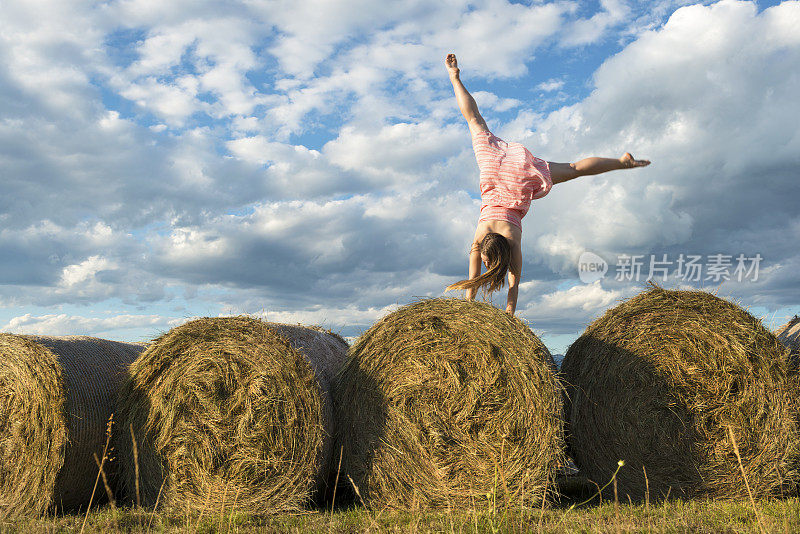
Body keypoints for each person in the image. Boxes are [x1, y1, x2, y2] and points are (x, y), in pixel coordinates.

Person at [444, 53, 650, 314]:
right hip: (499, 172)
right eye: (487, 262)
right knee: (477, 122)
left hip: (514, 178)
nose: (485, 265)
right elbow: (505, 286)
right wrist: (498, 314)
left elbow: (499, 285)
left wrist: (481, 314)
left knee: (572, 169)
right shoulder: (487, 238)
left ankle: (454, 77)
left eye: (484, 262)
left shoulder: (511, 242)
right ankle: (622, 162)